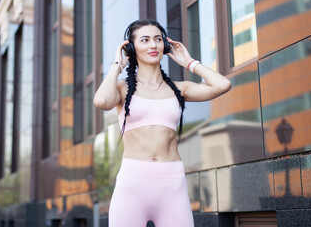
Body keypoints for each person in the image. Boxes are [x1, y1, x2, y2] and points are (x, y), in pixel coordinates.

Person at [93, 19, 231, 227]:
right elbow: (102, 101)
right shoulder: (122, 89)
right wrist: (117, 65)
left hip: (172, 185)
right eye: (145, 40)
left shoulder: (179, 88)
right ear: (131, 48)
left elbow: (223, 84)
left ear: (165, 46)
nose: (153, 45)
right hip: (132, 185)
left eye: (158, 39)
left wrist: (189, 63)